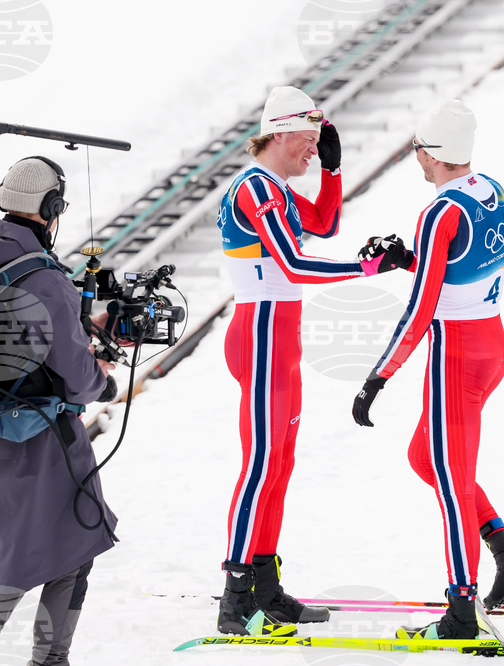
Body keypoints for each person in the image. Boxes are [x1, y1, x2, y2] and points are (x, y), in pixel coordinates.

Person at [216, 86, 406, 636]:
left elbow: (323, 224)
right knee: (260, 466)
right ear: (279, 132)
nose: (313, 149)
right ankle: (234, 598)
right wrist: (367, 269)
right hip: (260, 335)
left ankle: (265, 586)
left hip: (281, 339)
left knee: (279, 465)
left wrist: (334, 170)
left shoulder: (275, 186)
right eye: (308, 139)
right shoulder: (255, 186)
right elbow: (295, 264)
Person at [352, 100, 504, 640]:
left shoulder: (440, 212)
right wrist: (408, 257)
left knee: (451, 484)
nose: (416, 157)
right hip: (491, 344)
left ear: (431, 154)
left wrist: (378, 377)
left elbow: (421, 307)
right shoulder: (491, 190)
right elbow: (462, 266)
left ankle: (461, 610)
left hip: (455, 356)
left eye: (417, 148)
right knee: (426, 457)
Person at [0, 157, 118, 666]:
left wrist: (79, 331)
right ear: (52, 207)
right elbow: (77, 379)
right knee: (73, 544)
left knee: (14, 551)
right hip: (43, 438)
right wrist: (99, 371)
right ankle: (33, 659)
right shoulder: (41, 276)